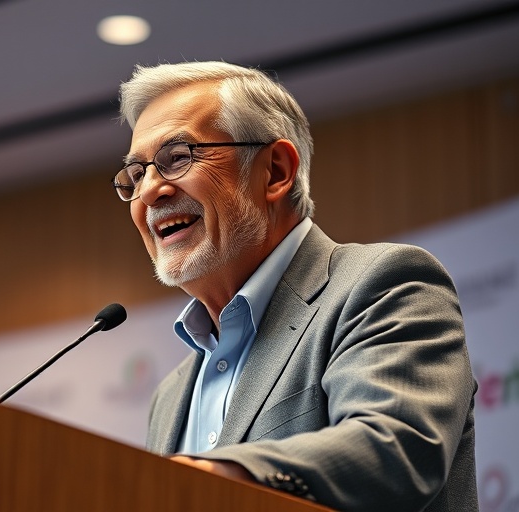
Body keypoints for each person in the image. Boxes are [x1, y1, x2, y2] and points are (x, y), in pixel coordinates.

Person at [113, 61, 478, 512]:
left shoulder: (385, 284)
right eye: (135, 175)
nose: (149, 191)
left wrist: (221, 476)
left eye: (178, 158)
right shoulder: (170, 395)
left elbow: (395, 449)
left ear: (276, 171)